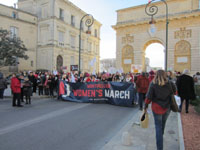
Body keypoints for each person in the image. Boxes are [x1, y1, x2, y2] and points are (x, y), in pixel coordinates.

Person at [144, 70, 176, 150]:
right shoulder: (170, 83)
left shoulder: (153, 83)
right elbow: (175, 93)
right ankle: (160, 137)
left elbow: (148, 98)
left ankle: (159, 147)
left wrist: (145, 106)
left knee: (158, 126)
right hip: (167, 107)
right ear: (165, 75)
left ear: (156, 75)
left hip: (156, 107)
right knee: (162, 125)